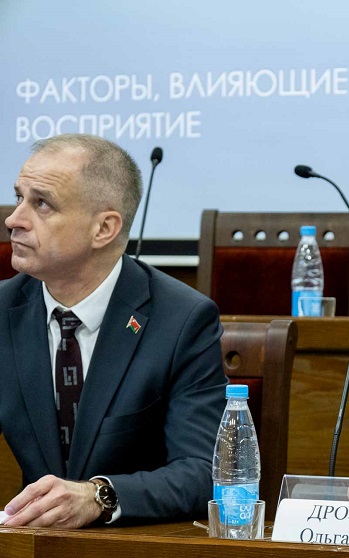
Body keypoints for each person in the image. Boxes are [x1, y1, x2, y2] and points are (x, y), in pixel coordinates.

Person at [0, 134, 227, 529]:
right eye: (19, 197)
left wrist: (98, 496)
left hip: (140, 542)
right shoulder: (5, 310)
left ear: (104, 228)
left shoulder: (182, 320)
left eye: (42, 203)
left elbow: (203, 472)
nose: (13, 219)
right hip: (34, 542)